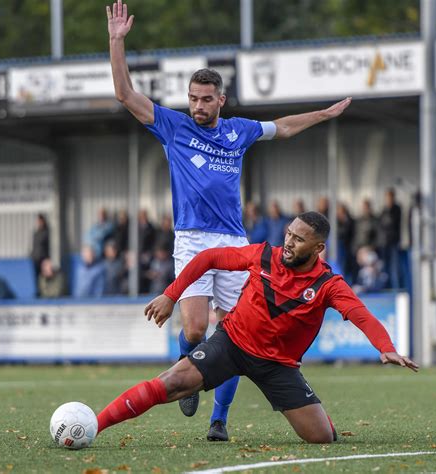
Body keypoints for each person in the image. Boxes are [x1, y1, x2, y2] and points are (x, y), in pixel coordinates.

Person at [106, 0, 352, 441]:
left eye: (206, 100)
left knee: (238, 332)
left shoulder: (239, 131)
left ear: (221, 99)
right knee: (197, 328)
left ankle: (219, 422)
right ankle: (189, 366)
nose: (198, 106)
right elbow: (125, 95)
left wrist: (324, 114)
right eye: (193, 99)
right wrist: (116, 41)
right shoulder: (174, 127)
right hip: (192, 240)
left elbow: (285, 127)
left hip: (235, 243)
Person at [95, 212, 418, 444]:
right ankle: (94, 426)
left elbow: (362, 315)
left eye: (299, 239)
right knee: (171, 383)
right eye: (289, 233)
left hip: (278, 366)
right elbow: (208, 258)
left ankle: (315, 420)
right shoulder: (263, 254)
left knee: (321, 438)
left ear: (318, 249)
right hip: (232, 344)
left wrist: (385, 347)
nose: (288, 242)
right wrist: (171, 294)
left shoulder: (328, 284)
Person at [378, 188, 402, 289]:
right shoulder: (384, 210)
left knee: (394, 267)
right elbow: (381, 224)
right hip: (384, 242)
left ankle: (395, 287)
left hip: (394, 242)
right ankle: (385, 287)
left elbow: (391, 222)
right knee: (385, 266)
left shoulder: (396, 209)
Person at [31, 213, 50, 289]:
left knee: (44, 276)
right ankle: (38, 290)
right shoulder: (36, 233)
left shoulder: (47, 232)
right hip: (35, 259)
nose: (39, 223)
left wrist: (47, 259)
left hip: (43, 259)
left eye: (40, 221)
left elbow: (48, 247)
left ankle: (44, 290)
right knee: (36, 276)